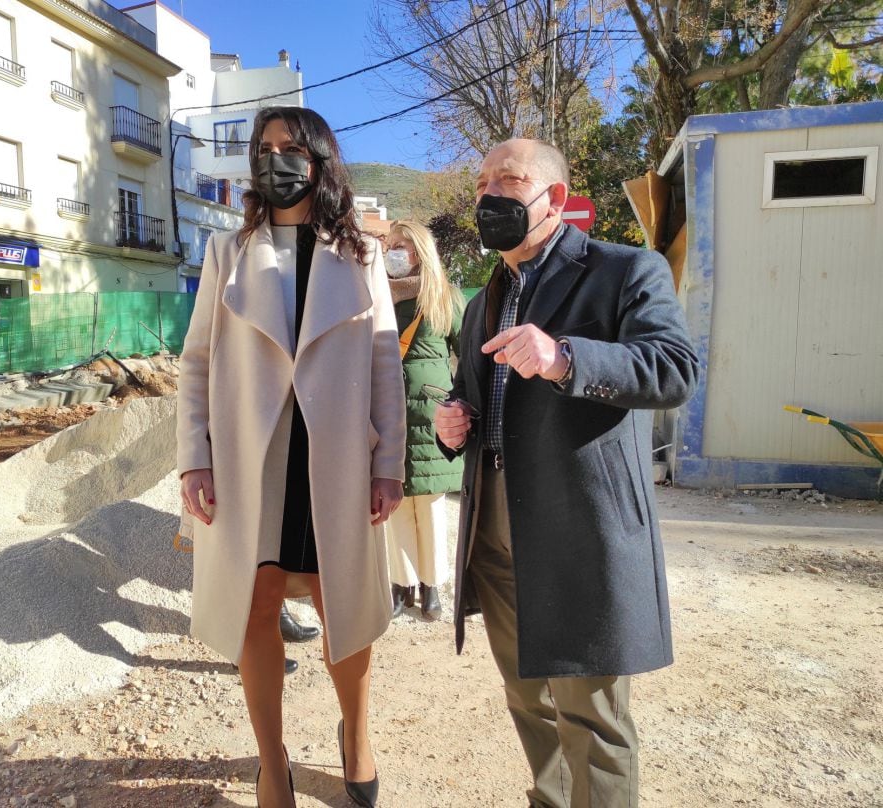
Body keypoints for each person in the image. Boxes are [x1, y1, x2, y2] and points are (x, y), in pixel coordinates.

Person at [433, 138, 699, 808]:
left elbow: (674, 370)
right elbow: (469, 389)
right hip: (494, 529)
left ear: (554, 198)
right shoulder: (482, 299)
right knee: (528, 699)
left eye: (509, 178)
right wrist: (454, 417)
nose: (489, 193)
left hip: (579, 529)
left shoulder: (625, 271)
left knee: (593, 717)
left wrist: (564, 359)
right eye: (482, 181)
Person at [177, 106, 405, 808]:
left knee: (344, 609)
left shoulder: (360, 259)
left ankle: (357, 734)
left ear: (320, 161)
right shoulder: (226, 253)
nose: (277, 159)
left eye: (292, 147)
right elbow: (195, 364)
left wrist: (389, 464)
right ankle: (270, 761)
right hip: (252, 461)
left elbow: (384, 367)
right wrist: (194, 458)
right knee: (257, 605)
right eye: (265, 148)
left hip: (334, 459)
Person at [382, 221, 463, 621]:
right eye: (391, 245)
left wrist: (459, 403)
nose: (393, 252)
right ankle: (402, 586)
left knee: (429, 506)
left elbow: (470, 354)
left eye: (402, 245)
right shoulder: (377, 295)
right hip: (387, 411)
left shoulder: (445, 297)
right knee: (393, 504)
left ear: (421, 252)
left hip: (430, 416)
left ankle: (432, 587)